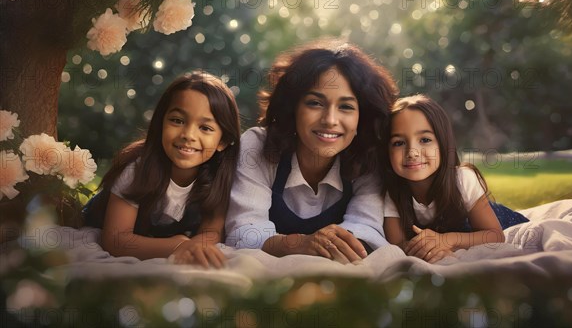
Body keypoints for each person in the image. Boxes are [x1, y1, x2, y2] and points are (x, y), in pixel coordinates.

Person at [225, 39, 398, 263]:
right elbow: (243, 232)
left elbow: (366, 229)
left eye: (346, 107)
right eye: (315, 103)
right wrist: (302, 243)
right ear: (293, 106)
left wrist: (326, 244)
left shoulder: (369, 158)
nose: (330, 120)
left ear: (362, 117)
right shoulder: (257, 145)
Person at [82, 70, 240, 268]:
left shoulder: (220, 176)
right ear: (160, 122)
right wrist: (178, 245)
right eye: (177, 121)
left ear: (223, 141)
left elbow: (211, 232)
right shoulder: (137, 170)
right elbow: (116, 241)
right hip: (99, 222)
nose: (188, 135)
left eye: (205, 128)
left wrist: (195, 247)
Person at [382, 95, 529, 263]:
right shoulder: (392, 192)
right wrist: (425, 249)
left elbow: (495, 235)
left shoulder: (463, 179)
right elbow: (398, 244)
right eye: (399, 143)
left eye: (425, 140)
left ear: (443, 145)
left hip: (498, 221)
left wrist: (446, 240)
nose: (412, 152)